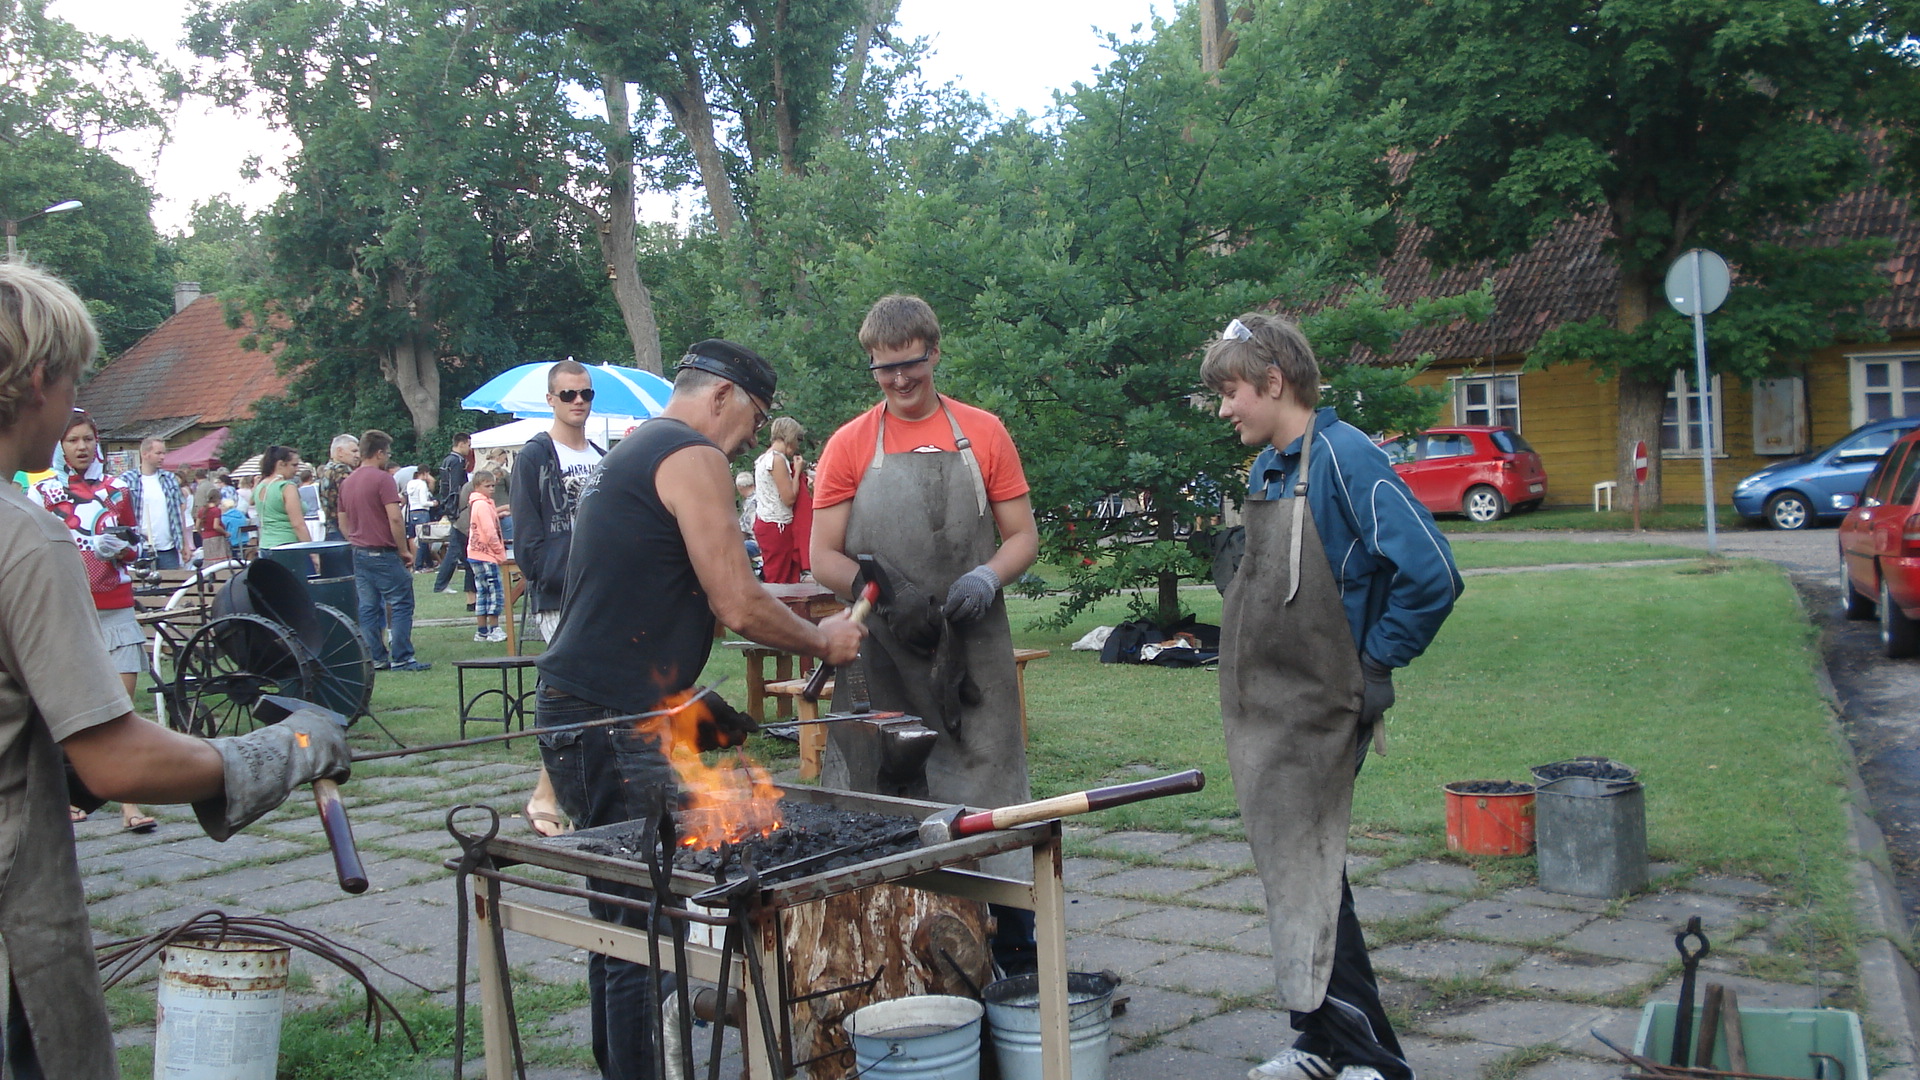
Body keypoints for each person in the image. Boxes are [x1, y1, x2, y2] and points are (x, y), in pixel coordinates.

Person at [0, 261, 350, 1076]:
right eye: (74, 382)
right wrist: (289, 749)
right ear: (42, 378)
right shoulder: (25, 536)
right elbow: (116, 759)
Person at [537, 338, 865, 1080]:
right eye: (755, 418)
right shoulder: (691, 455)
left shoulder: (633, 451)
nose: (752, 437)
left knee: (623, 917)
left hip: (590, 707)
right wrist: (825, 641)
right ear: (721, 395)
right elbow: (738, 602)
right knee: (644, 925)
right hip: (613, 720)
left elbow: (648, 591)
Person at [1200, 313, 1462, 1080]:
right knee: (1298, 872)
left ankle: (1373, 1060)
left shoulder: (1348, 459)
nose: (1225, 409)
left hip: (1325, 708)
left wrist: (1375, 664)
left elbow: (1433, 575)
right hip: (1271, 711)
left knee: (1308, 873)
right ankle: (1320, 1042)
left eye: (1232, 392)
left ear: (1275, 381)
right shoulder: (1268, 469)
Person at [809, 294, 1041, 972]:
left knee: (992, 796)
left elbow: (1022, 536)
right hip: (884, 656)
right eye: (884, 369)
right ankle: (894, 959)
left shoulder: (985, 433)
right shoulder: (850, 444)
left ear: (934, 353)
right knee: (885, 799)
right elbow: (823, 556)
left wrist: (987, 577)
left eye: (910, 364)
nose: (900, 379)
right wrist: (883, 593)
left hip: (973, 650)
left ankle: (1018, 955)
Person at [34, 410, 157, 834]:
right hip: (69, 608)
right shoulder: (44, 492)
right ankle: (66, 795)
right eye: (73, 440)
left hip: (116, 606)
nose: (82, 447)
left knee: (122, 708)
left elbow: (136, 546)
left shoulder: (117, 488)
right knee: (66, 708)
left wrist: (121, 549)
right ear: (60, 446)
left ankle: (129, 803)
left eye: (88, 439)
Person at [512, 359, 606, 838]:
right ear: (550, 399)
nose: (578, 402)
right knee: (578, 692)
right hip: (558, 594)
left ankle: (570, 797)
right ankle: (548, 797)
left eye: (585, 393)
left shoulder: (603, 456)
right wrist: (549, 576)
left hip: (603, 591)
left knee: (594, 695)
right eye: (568, 394)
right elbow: (527, 537)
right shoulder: (535, 456)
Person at [341, 429, 431, 672]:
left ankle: (376, 657)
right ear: (379, 453)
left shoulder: (348, 481)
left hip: (359, 551)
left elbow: (342, 518)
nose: (388, 457)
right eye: (388, 453)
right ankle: (402, 657)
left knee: (368, 606)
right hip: (382, 551)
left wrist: (354, 539)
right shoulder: (382, 480)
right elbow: (395, 518)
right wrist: (403, 550)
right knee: (401, 602)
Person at [120, 436, 194, 569]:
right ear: (145, 454)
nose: (162, 457)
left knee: (171, 581)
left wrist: (185, 544)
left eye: (164, 453)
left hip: (168, 549)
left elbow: (179, 513)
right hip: (140, 547)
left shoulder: (170, 479)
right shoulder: (127, 480)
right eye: (158, 453)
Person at [751, 417, 806, 584]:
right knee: (780, 577)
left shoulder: (764, 459)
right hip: (777, 526)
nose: (797, 445)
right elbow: (789, 498)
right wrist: (797, 472)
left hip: (767, 523)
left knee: (779, 574)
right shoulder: (777, 460)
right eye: (798, 439)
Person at [434, 431, 475, 603]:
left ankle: (445, 583)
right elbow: (456, 488)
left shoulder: (447, 460)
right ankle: (441, 584)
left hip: (450, 509)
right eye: (468, 445)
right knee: (455, 550)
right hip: (457, 510)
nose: (470, 449)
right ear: (461, 443)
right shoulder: (457, 462)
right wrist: (456, 510)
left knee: (457, 549)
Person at [467, 469, 507, 643]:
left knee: (482, 592)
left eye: (493, 486)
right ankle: (494, 628)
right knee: (494, 592)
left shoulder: (479, 504)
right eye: (487, 486)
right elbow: (490, 532)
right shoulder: (482, 505)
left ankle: (482, 631)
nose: (491, 489)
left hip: (475, 553)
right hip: (487, 554)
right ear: (477, 486)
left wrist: (498, 514)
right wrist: (499, 552)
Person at [256, 445, 313, 550]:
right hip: (287, 544)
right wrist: (312, 551)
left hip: (265, 545)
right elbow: (298, 524)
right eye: (294, 465)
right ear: (280, 464)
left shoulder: (260, 486)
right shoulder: (287, 487)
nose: (297, 470)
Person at [317, 433, 359, 542]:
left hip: (330, 529)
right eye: (354, 451)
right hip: (345, 529)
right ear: (339, 451)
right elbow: (351, 502)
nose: (358, 455)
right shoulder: (342, 470)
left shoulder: (327, 469)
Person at [404, 466, 435, 551]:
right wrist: (433, 503)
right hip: (422, 513)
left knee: (415, 538)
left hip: (412, 513)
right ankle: (420, 559)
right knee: (424, 540)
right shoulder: (422, 484)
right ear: (425, 473)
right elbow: (423, 502)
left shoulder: (410, 483)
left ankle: (419, 558)